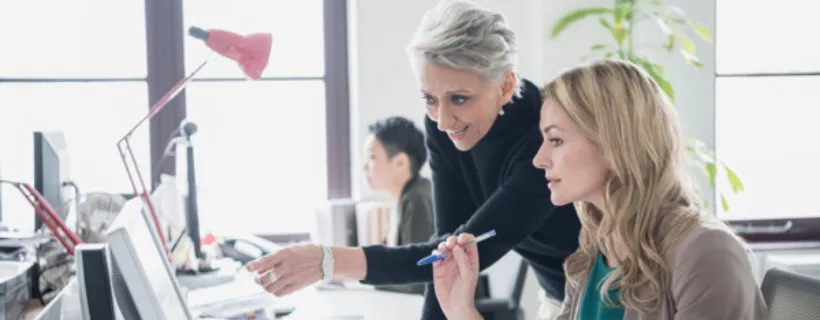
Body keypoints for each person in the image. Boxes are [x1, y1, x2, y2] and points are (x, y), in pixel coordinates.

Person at [246, 1, 581, 318]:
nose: (443, 120)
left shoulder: (544, 140)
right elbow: (446, 248)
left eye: (459, 99)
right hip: (559, 292)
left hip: (613, 289)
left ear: (505, 85)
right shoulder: (445, 128)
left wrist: (329, 261)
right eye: (429, 98)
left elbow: (461, 254)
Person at [431, 59, 768, 320]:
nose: (539, 159)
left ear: (615, 144)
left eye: (556, 140)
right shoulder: (595, 250)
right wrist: (462, 309)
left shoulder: (706, 253)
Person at [363, 116, 434, 295]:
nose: (365, 167)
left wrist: (368, 280)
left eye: (372, 157)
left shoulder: (417, 200)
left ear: (400, 163)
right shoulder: (408, 196)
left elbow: (418, 280)